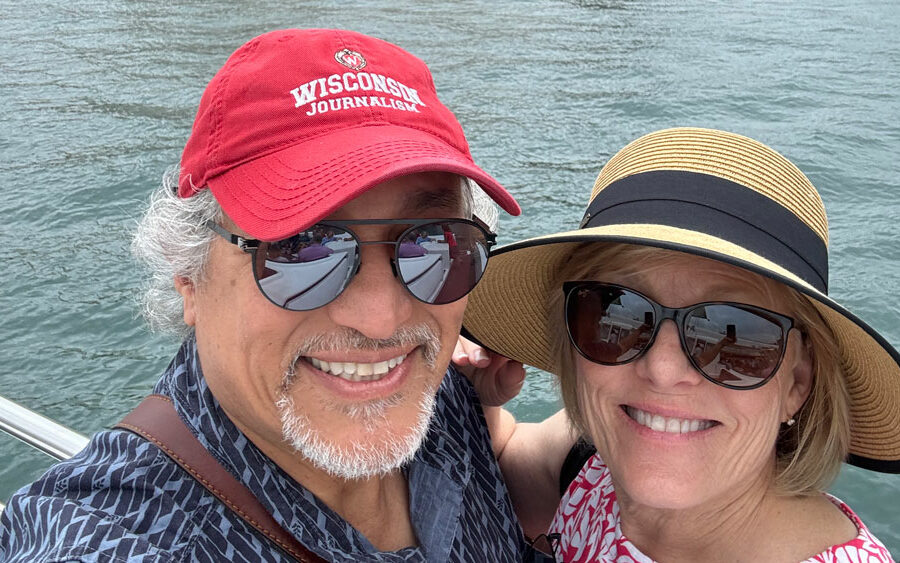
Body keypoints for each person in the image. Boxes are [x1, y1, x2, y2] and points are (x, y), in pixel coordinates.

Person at [0, 29, 541, 562]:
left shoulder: (440, 395)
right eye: (303, 249)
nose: (381, 319)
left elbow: (525, 459)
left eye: (433, 243)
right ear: (188, 276)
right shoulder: (120, 536)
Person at [457, 128, 899, 561]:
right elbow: (502, 457)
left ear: (798, 381)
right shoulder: (592, 461)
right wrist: (475, 395)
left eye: (734, 336)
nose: (663, 370)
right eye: (615, 312)